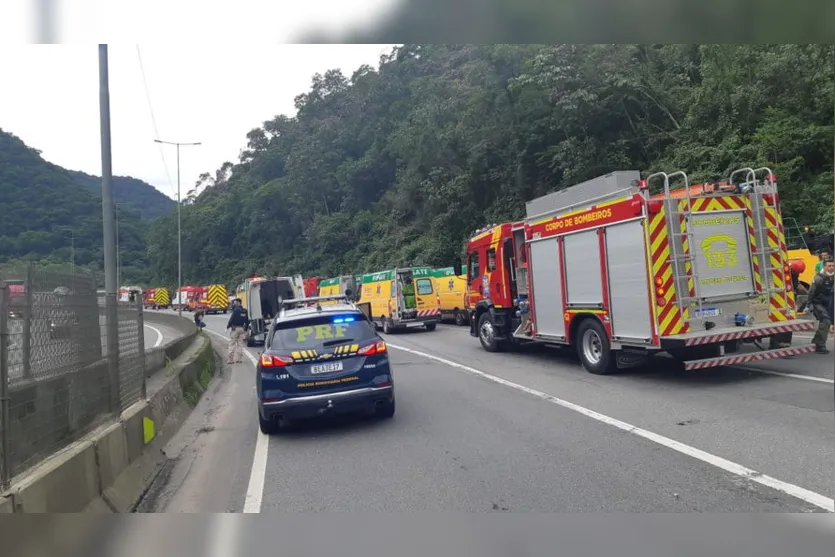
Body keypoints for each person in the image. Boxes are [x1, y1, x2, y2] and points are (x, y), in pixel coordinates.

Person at [805, 258, 834, 354]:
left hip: (827, 303)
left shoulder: (832, 277)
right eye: (829, 266)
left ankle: (816, 342)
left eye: (833, 266)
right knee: (826, 321)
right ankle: (819, 345)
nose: (831, 268)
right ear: (824, 267)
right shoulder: (818, 278)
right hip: (817, 303)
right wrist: (808, 305)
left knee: (827, 321)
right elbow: (811, 292)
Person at [225, 298, 249, 364]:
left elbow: (231, 320)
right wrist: (246, 329)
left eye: (235, 303)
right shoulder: (244, 311)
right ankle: (239, 359)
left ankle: (230, 360)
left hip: (235, 329)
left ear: (238, 303)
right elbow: (247, 321)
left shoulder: (236, 310)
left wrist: (227, 327)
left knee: (232, 344)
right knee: (240, 344)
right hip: (242, 329)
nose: (234, 304)